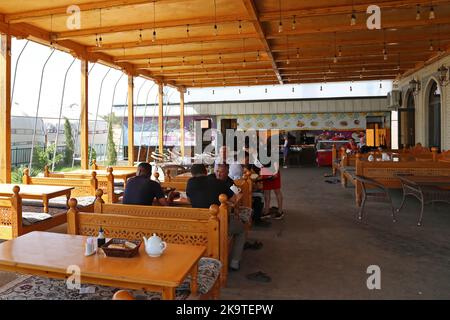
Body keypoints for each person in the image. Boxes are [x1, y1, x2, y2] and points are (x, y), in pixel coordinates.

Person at [186, 164, 246, 271]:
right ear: (206, 171)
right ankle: (235, 262)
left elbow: (189, 201)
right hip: (219, 224)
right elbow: (233, 199)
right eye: (217, 171)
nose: (219, 173)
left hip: (198, 224)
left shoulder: (190, 182)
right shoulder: (219, 183)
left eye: (221, 171)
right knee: (241, 230)